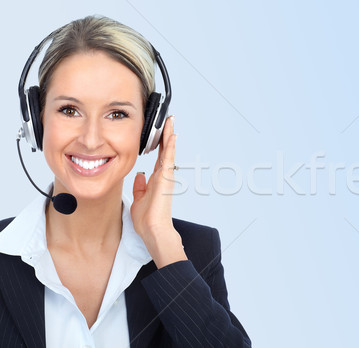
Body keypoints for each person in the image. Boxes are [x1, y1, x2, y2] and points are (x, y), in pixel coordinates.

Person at [0, 15, 251, 347]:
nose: (91, 139)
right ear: (36, 119)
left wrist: (163, 245)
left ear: (148, 131)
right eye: (69, 110)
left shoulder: (193, 251)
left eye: (117, 114)